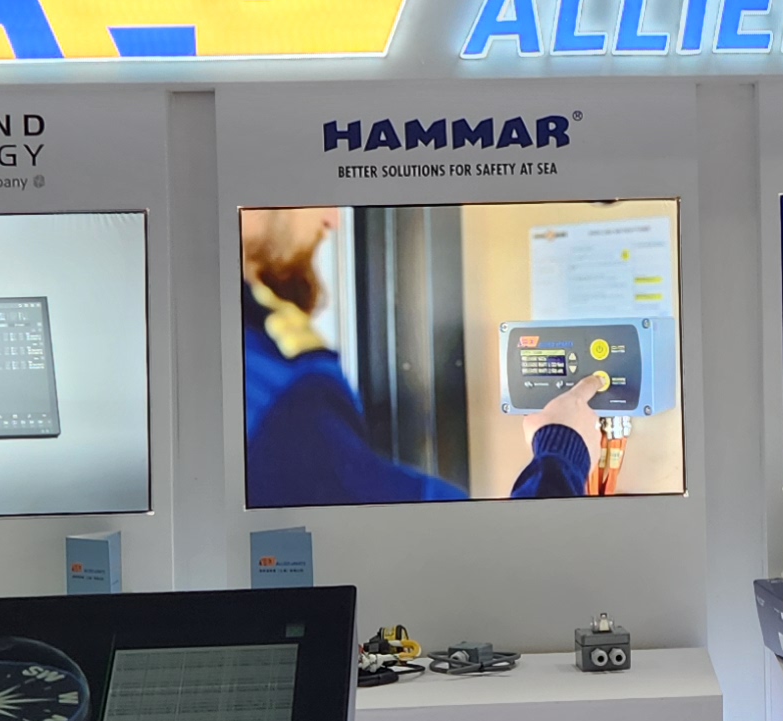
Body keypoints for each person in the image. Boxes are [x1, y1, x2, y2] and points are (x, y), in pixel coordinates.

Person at [239, 205, 609, 505]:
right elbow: (489, 552)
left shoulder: (239, 357)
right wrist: (563, 449)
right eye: (310, 193)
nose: (333, 219)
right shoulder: (276, 388)